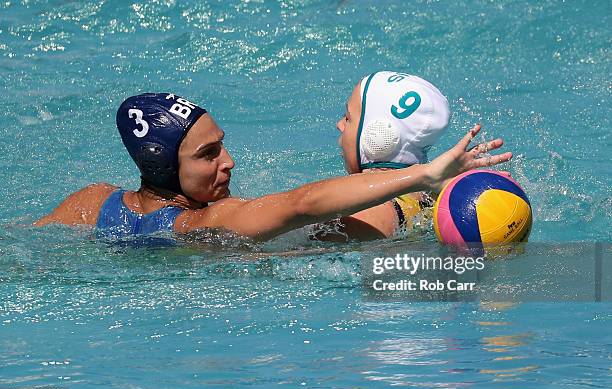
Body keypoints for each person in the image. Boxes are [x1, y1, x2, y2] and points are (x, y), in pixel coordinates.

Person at [34, 92, 511, 242]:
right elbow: (304, 204)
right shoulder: (208, 222)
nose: (229, 162)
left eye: (221, 145)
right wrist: (424, 178)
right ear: (159, 166)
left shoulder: (89, 203)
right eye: (207, 155)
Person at [315, 71, 452, 241]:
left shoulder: (368, 215)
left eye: (348, 118)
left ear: (378, 137)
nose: (339, 125)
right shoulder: (430, 197)